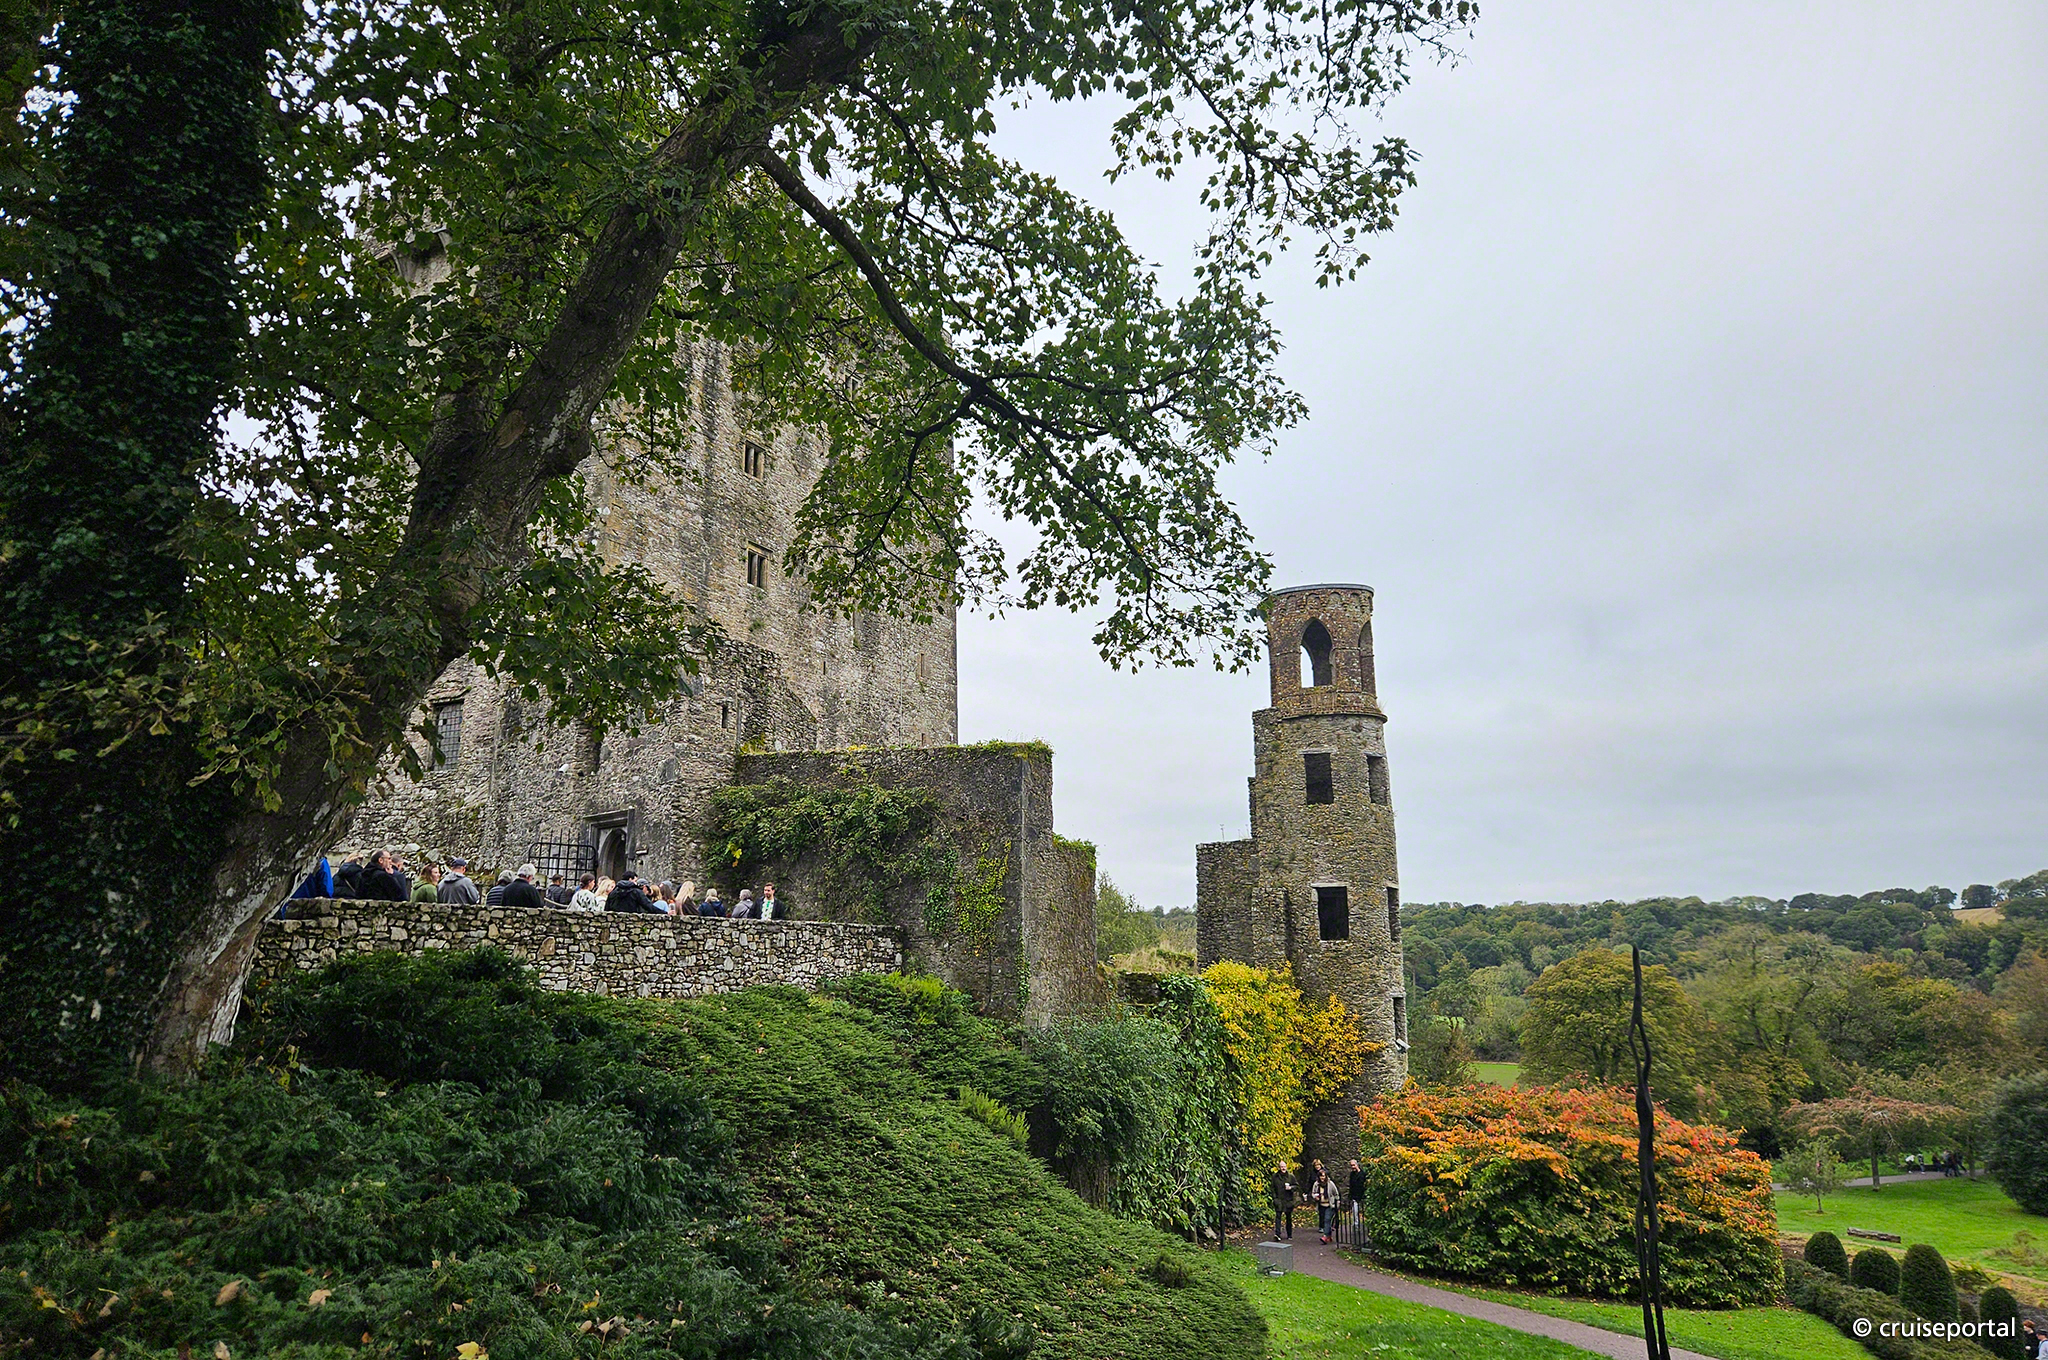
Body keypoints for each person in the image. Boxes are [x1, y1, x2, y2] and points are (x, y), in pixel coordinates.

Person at [1269, 1162, 1296, 1241]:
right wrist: (1275, 1198)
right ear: (1279, 1167)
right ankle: (1277, 1234)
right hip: (1279, 1200)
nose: (1283, 1168)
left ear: (1286, 1167)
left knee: (1289, 1218)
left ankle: (1289, 1234)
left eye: (1284, 1166)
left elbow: (1296, 1186)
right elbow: (1272, 1188)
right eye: (1281, 1167)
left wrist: (1291, 1188)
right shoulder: (1275, 1177)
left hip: (1288, 1200)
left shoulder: (1291, 1177)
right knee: (1278, 1217)